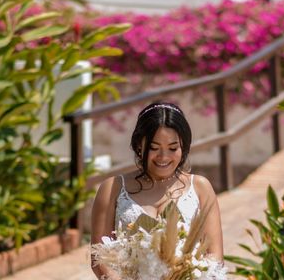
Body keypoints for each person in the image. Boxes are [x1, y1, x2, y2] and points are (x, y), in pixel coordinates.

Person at [91, 102, 224, 279]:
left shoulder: (201, 188)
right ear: (139, 145)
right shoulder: (112, 188)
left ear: (184, 146)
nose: (163, 157)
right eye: (154, 148)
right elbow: (99, 258)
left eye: (172, 148)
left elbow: (214, 257)